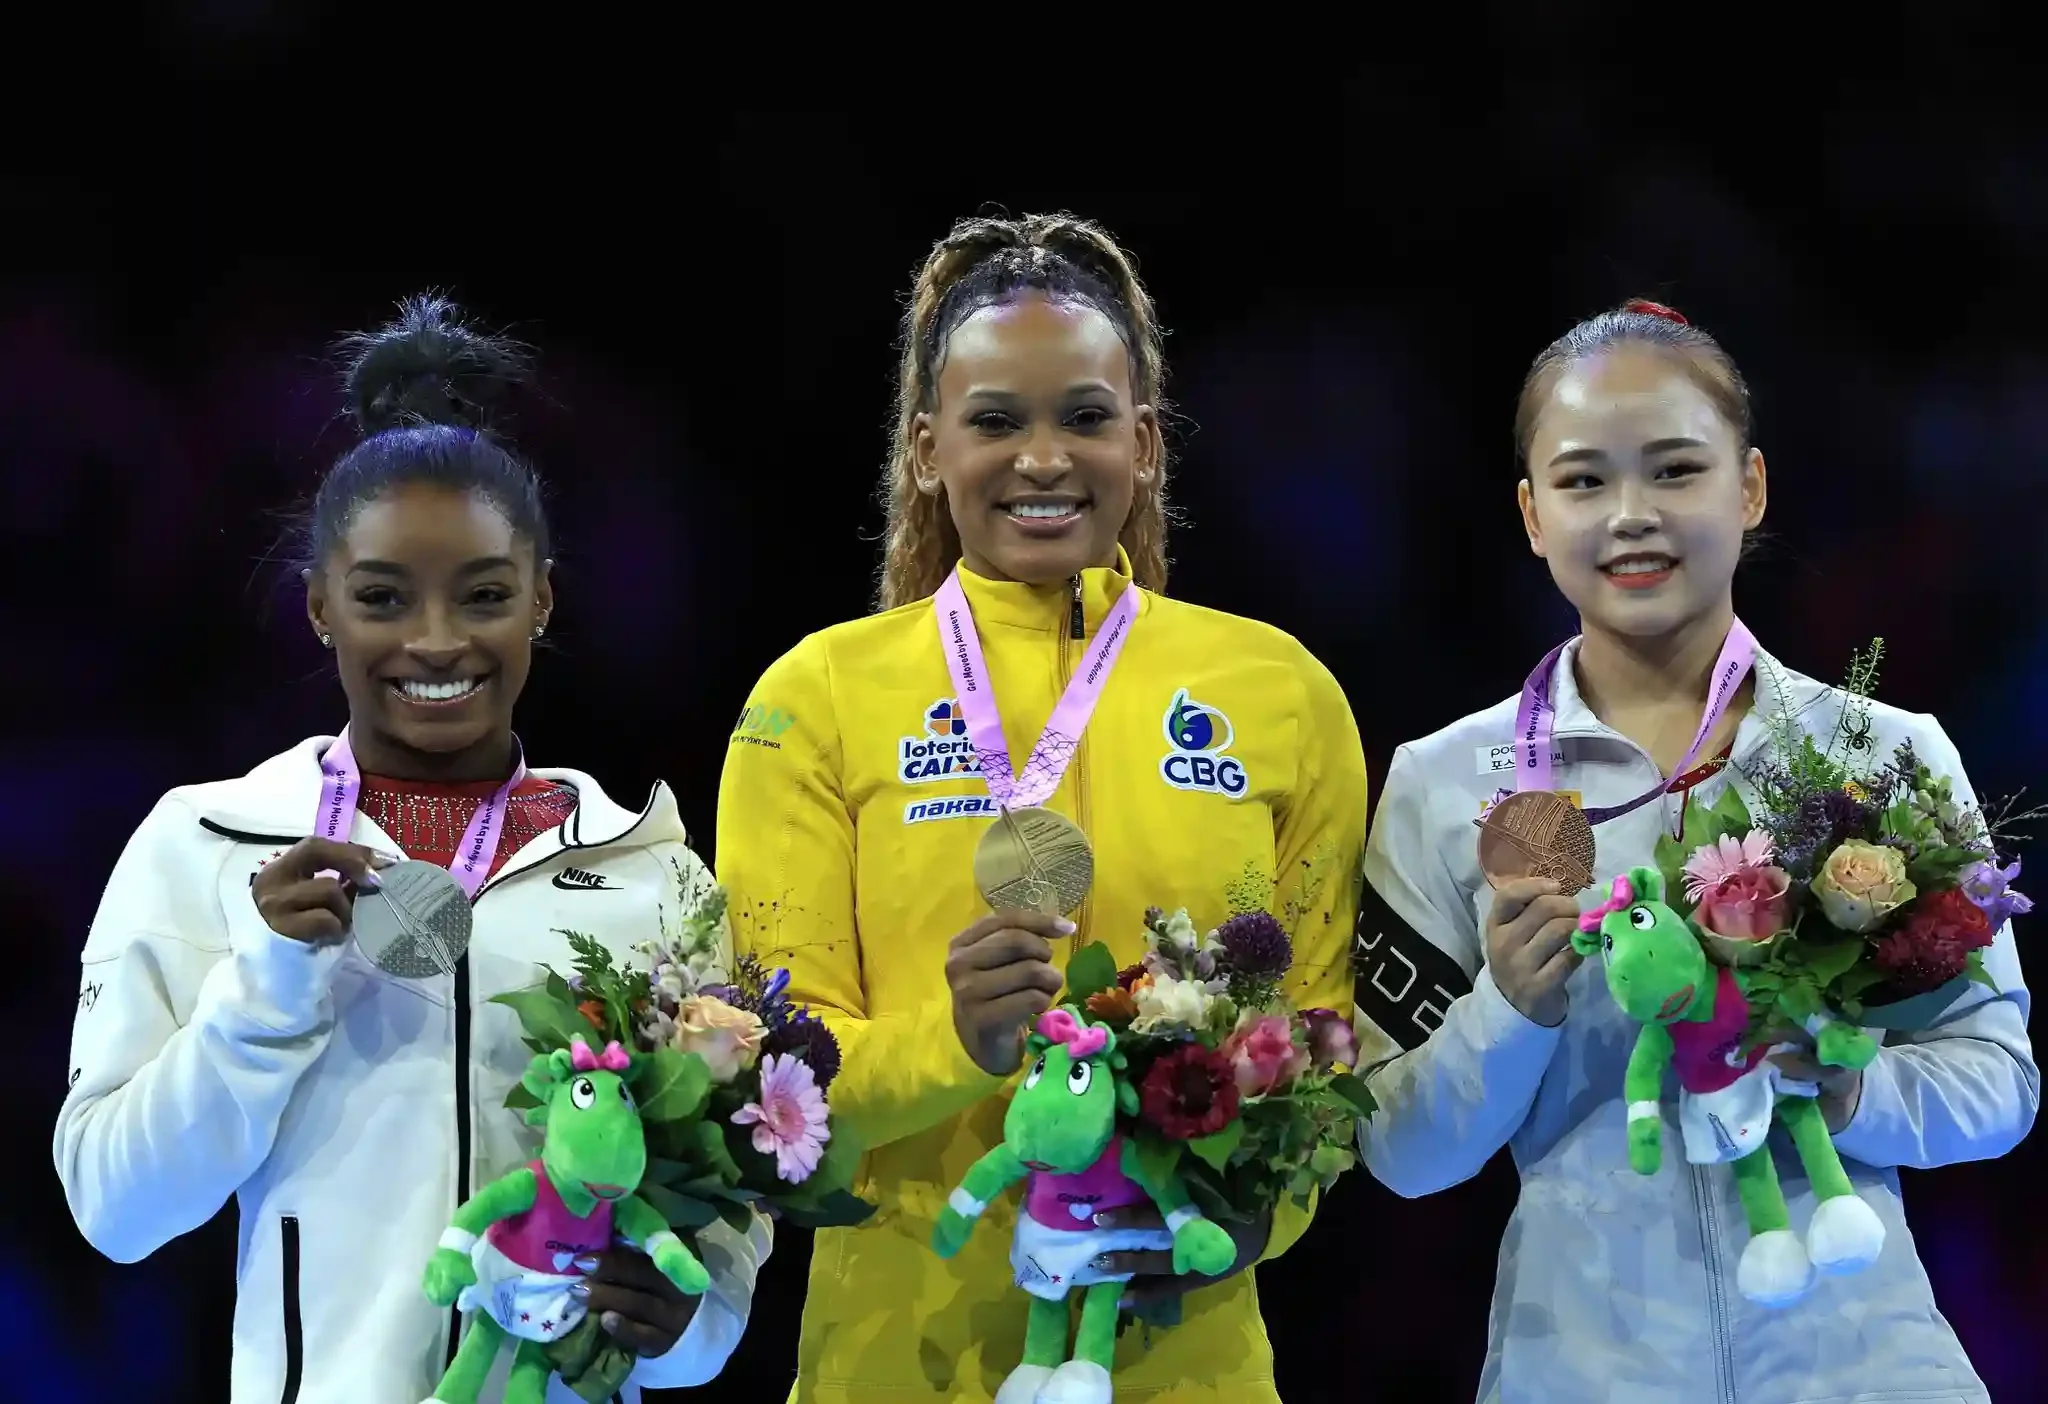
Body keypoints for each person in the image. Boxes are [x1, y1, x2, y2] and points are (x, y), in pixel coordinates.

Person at [52, 296, 769, 1404]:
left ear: (539, 599)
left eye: (481, 596)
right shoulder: (208, 839)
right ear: (320, 608)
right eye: (384, 599)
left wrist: (687, 1332)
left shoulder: (652, 876)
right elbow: (114, 1210)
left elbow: (724, 1227)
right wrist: (268, 986)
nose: (436, 642)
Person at [715, 212, 1368, 1404]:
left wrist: (1205, 1225)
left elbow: (1320, 1063)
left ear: (1147, 442)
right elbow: (776, 1101)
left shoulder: (1278, 692)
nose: (1043, 459)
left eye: (1083, 417)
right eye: (995, 422)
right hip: (890, 1365)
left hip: (1186, 1364)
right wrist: (954, 1045)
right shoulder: (811, 699)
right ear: (925, 448)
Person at [1352, 298, 2037, 1402]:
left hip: (1862, 1372)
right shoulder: (1443, 782)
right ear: (1529, 514)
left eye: (1674, 470)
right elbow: (1402, 1152)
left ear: (1748, 487)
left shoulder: (1879, 752)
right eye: (1581, 482)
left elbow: (1997, 1083)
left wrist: (1852, 1091)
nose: (1629, 516)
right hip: (1575, 1373)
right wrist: (1506, 1015)